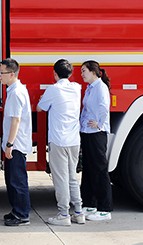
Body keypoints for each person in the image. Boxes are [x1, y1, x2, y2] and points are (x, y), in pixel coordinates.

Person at [37, 59, 84, 226]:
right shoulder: (77, 88)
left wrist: (44, 98)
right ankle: (78, 212)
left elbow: (40, 108)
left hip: (58, 140)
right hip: (74, 140)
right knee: (72, 176)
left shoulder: (53, 89)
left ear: (55, 74)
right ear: (71, 74)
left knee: (60, 178)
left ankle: (64, 213)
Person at [0, 58, 32, 226]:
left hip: (16, 144)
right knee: (12, 179)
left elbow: (15, 121)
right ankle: (16, 211)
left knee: (17, 180)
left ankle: (22, 214)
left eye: (2, 73)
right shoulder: (15, 89)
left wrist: (9, 144)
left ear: (12, 74)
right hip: (15, 143)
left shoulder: (16, 92)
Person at [80, 60, 113, 221]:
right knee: (88, 168)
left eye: (84, 70)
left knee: (99, 169)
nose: (82, 74)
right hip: (87, 132)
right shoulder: (89, 88)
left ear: (93, 71)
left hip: (96, 134)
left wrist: (100, 124)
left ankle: (104, 208)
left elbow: (104, 107)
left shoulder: (100, 87)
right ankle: (89, 204)